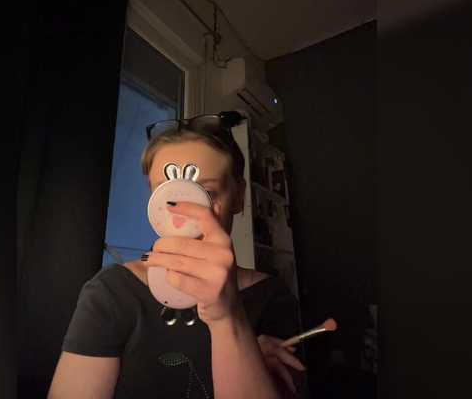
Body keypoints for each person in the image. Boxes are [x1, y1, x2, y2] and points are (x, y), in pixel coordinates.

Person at [48, 111, 306, 399]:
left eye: (206, 193)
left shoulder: (273, 297)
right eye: (169, 195)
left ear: (239, 195)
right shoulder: (111, 292)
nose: (185, 214)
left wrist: (232, 325)